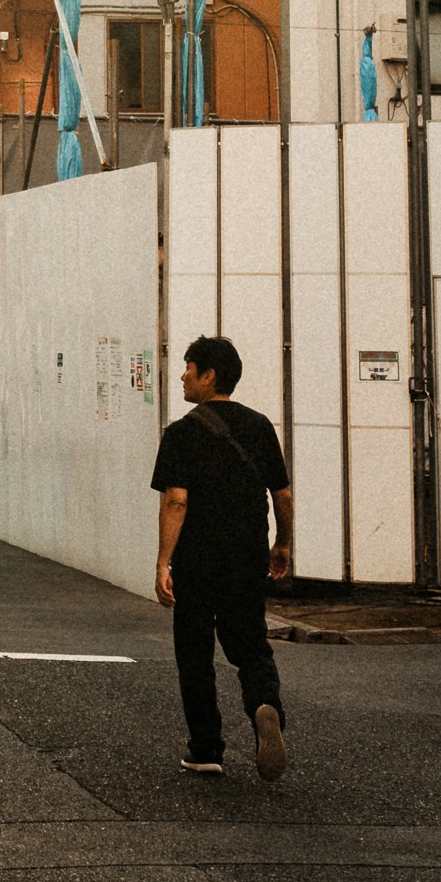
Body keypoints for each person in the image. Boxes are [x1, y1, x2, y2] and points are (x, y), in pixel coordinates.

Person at [151, 333, 293, 780]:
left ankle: (206, 747)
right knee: (250, 643)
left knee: (194, 650)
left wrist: (162, 562)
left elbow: (177, 501)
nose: (182, 376)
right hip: (248, 552)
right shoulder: (260, 425)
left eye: (189, 369)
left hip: (196, 558)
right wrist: (283, 542)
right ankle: (265, 705)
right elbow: (282, 494)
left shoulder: (181, 433)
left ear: (208, 375)